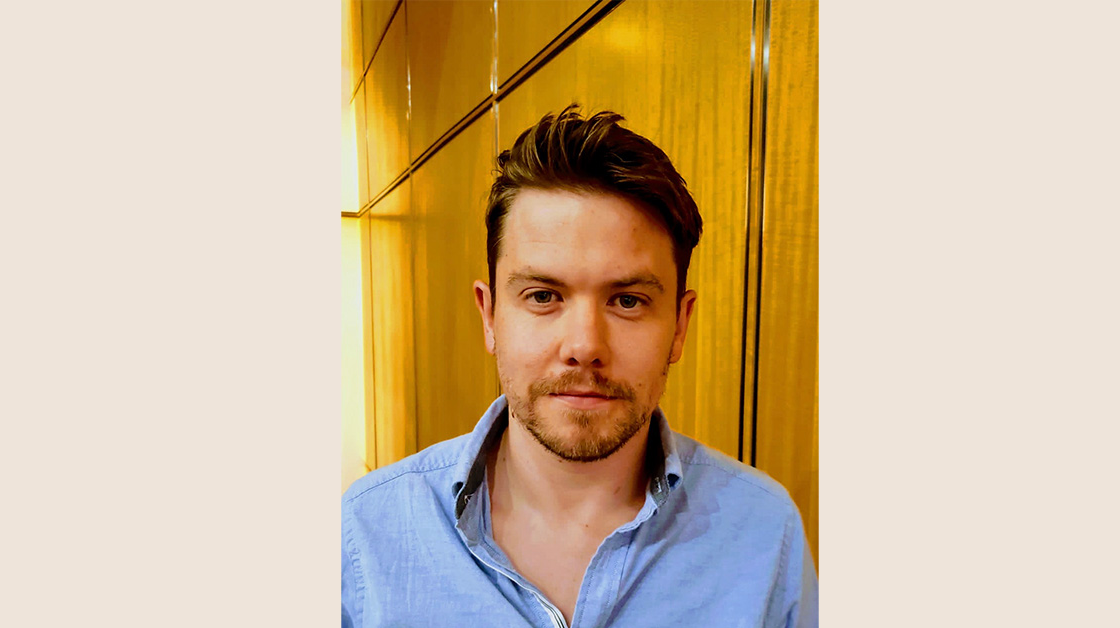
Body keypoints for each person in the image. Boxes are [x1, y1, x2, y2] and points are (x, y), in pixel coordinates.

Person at [342, 104, 818, 627]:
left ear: (680, 326)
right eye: (543, 296)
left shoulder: (765, 534)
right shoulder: (366, 535)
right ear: (490, 316)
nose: (585, 345)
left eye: (628, 301)